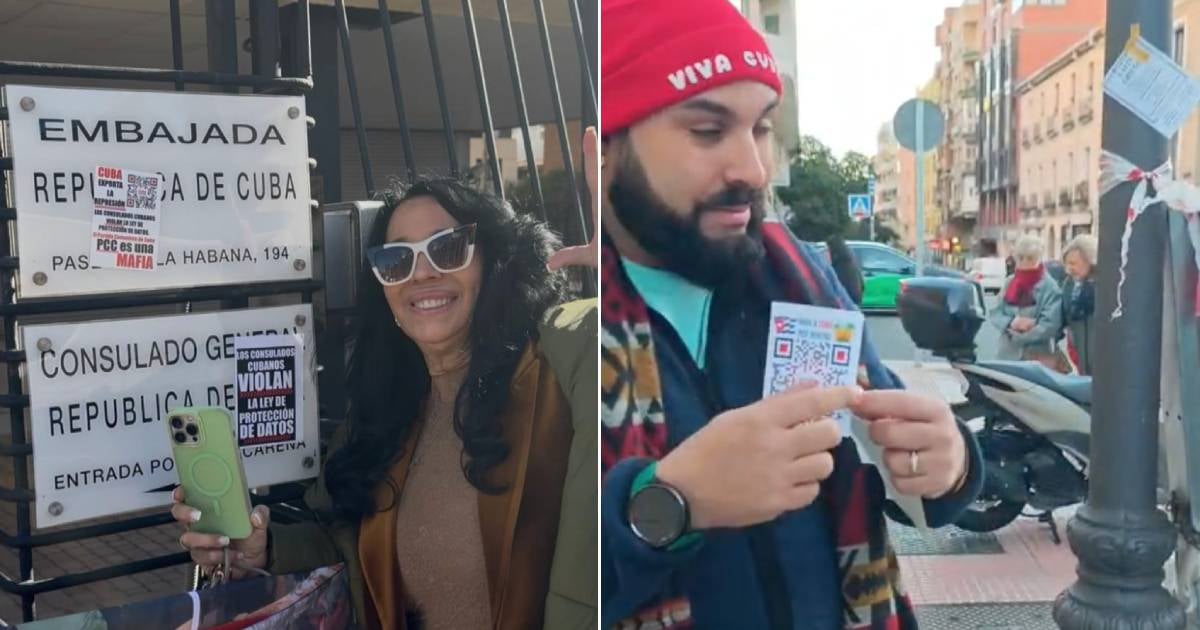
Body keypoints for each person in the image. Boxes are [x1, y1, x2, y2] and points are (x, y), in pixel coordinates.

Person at [599, 1, 983, 627]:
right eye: (707, 131)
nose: (753, 169)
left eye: (760, 129)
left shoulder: (802, 283)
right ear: (606, 146)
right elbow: (523, 582)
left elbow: (903, 464)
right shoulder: (554, 326)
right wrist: (673, 504)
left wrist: (949, 462)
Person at [173, 153, 601, 629]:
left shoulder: (562, 361)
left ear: (491, 262)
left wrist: (640, 284)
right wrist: (263, 547)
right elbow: (349, 550)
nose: (421, 274)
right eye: (396, 260)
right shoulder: (384, 413)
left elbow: (616, 345)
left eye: (447, 248)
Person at [988, 235, 1064, 364]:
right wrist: (1011, 322)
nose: (1024, 262)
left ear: (1039, 259)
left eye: (1030, 258)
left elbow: (1050, 324)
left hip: (1037, 356)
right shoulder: (1010, 282)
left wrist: (1021, 336)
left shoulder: (1049, 287)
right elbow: (996, 312)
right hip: (1007, 354)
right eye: (1020, 258)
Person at [1060, 234, 1097, 375]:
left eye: (1073, 263)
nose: (1068, 269)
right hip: (1081, 359)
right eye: (1067, 264)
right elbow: (1063, 317)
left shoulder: (1107, 286)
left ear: (1090, 260)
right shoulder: (1069, 285)